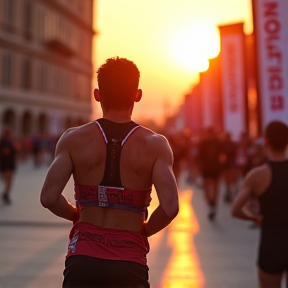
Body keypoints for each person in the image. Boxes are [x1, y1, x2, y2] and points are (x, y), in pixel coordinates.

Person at [40, 57, 179, 288]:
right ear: (137, 94)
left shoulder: (73, 139)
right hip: (129, 260)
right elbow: (170, 207)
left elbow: (48, 197)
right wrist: (144, 230)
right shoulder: (155, 144)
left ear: (97, 94)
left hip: (82, 258)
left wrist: (77, 215)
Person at [231, 120, 288, 288]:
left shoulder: (257, 175)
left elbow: (235, 210)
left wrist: (255, 218)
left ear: (266, 142)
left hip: (272, 245)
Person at [198, 127, 223, 220]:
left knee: (214, 186)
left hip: (215, 167)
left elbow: (222, 155)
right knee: (208, 186)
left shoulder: (217, 142)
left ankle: (213, 203)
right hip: (207, 168)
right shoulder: (203, 143)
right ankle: (211, 204)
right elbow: (199, 156)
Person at [0, 127, 19, 204]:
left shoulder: (10, 141)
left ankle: (6, 194)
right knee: (8, 181)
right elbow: (6, 152)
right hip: (6, 164)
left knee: (9, 181)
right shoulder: (4, 142)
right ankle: (5, 195)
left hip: (9, 164)